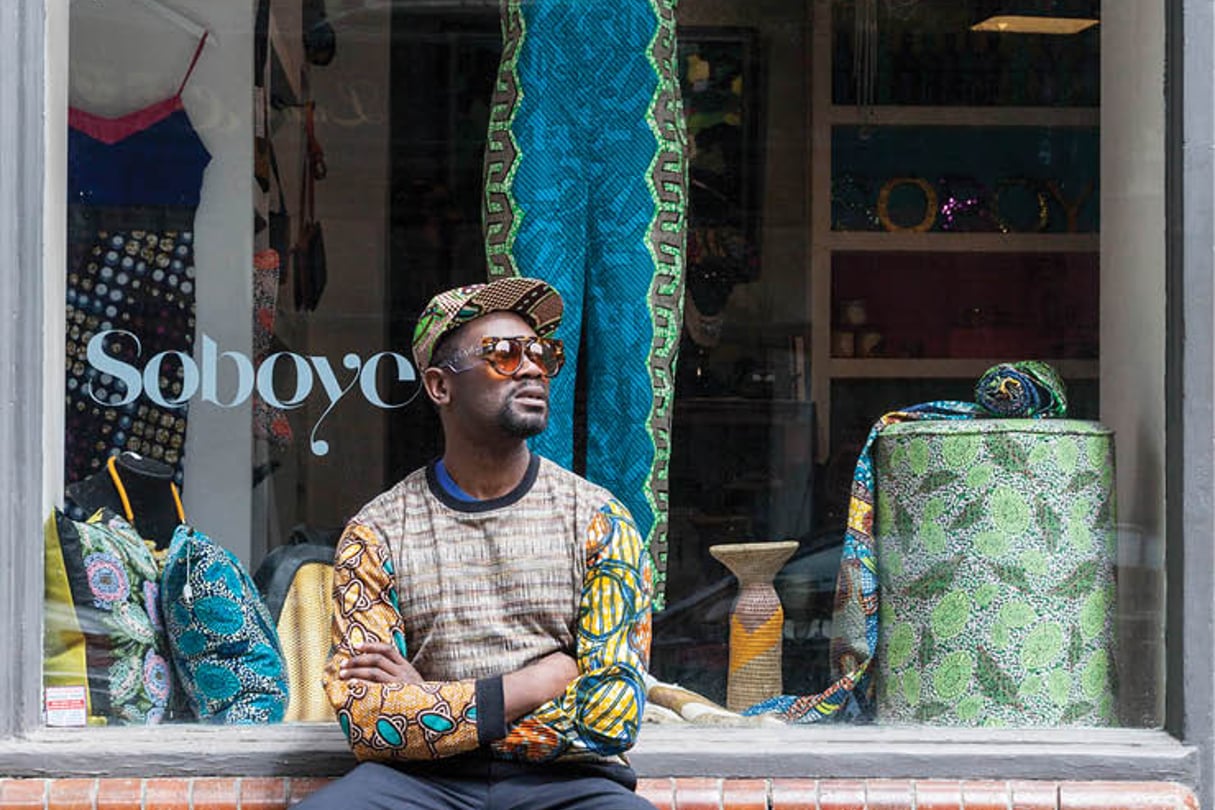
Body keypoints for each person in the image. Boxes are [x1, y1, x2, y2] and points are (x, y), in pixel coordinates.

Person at [295, 276, 657, 810]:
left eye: (543, 353)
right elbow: (369, 720)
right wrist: (540, 680)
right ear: (441, 387)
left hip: (568, 786)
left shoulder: (599, 520)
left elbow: (611, 716)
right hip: (418, 784)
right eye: (504, 355)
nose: (533, 367)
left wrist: (429, 703)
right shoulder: (377, 533)